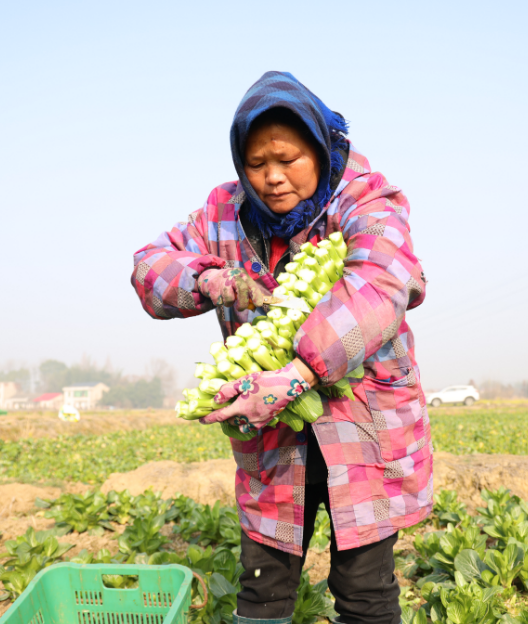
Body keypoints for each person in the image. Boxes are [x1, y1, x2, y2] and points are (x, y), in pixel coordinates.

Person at [131, 71, 432, 624]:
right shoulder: (223, 214)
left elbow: (383, 284)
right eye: (255, 164)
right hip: (272, 444)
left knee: (365, 590)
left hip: (361, 430)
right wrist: (206, 279)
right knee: (262, 587)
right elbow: (150, 264)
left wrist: (299, 373)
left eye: (287, 160)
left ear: (319, 149)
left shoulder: (364, 200)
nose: (271, 179)